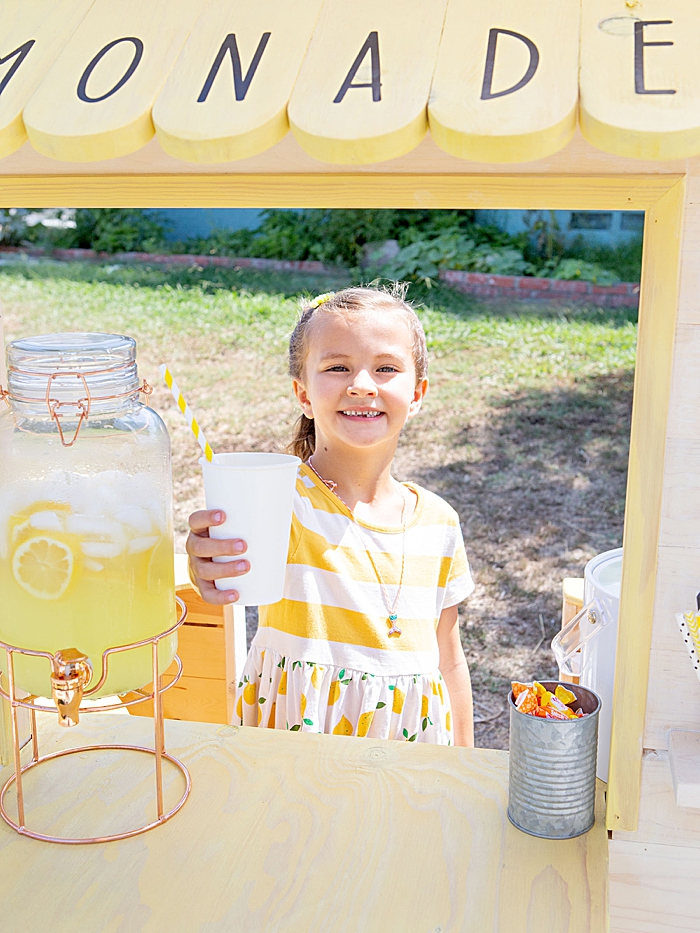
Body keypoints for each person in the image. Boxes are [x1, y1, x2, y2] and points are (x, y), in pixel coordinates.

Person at [186, 286, 475, 746]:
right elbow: (226, 565)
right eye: (337, 367)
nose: (361, 383)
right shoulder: (283, 501)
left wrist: (466, 764)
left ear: (417, 392)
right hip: (295, 757)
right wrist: (209, 561)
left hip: (411, 764)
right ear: (303, 393)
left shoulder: (439, 522)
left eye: (385, 368)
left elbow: (451, 660)